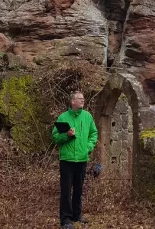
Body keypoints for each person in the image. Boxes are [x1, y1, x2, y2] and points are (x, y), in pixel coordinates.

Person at [52, 91, 98, 229]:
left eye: (83, 98)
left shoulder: (88, 116)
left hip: (82, 159)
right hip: (67, 160)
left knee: (78, 189)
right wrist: (66, 135)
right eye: (80, 98)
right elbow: (55, 137)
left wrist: (88, 147)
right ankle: (65, 220)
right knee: (66, 190)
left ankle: (76, 215)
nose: (83, 100)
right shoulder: (63, 117)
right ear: (72, 102)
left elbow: (93, 133)